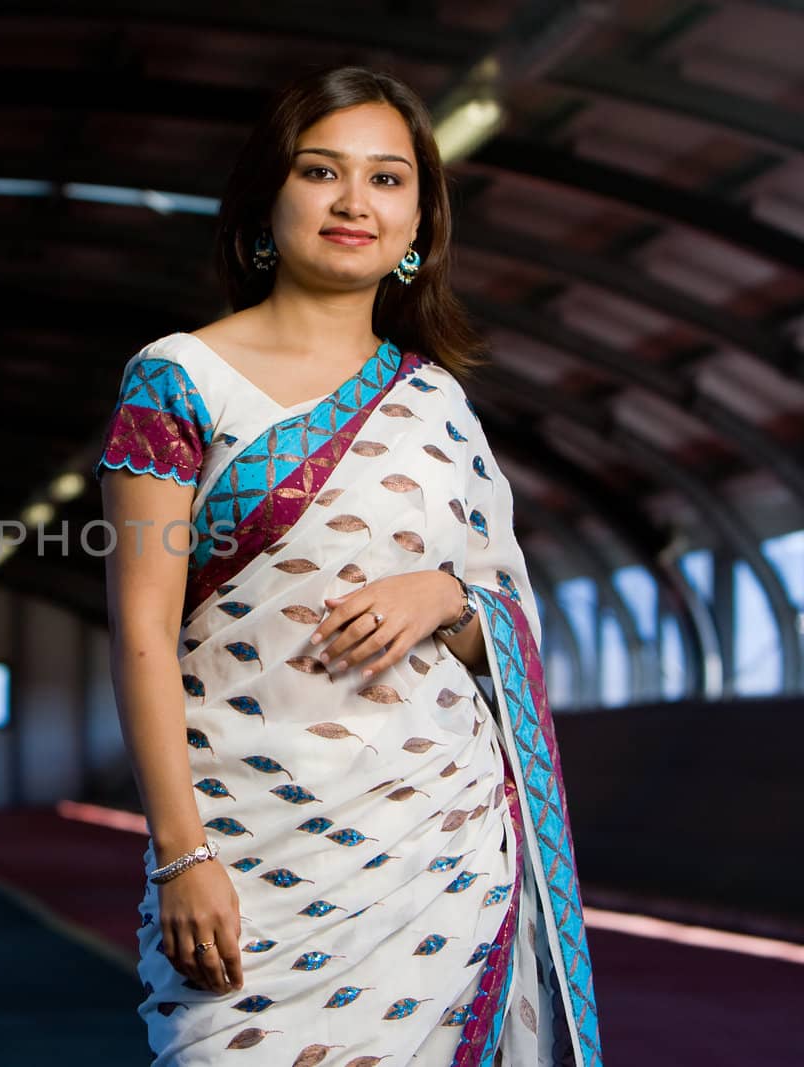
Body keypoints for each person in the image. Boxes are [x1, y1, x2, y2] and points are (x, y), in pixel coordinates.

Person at [94, 64, 601, 1066]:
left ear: (418, 220)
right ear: (264, 200)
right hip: (243, 845)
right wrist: (180, 854)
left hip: (439, 852)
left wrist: (451, 597)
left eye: (386, 178)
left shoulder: (438, 405)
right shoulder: (177, 378)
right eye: (320, 171)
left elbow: (507, 616)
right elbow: (143, 630)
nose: (353, 202)